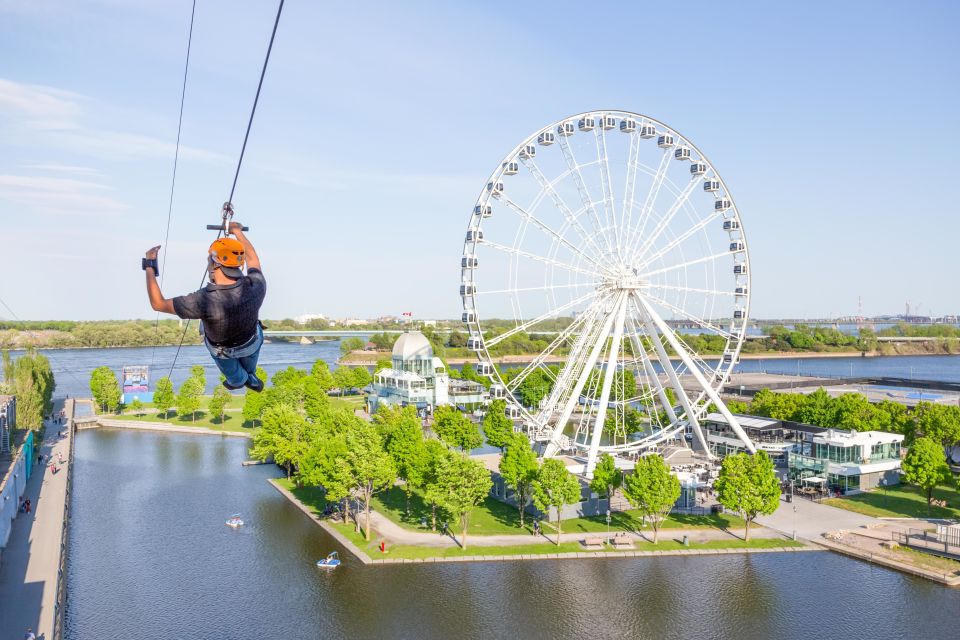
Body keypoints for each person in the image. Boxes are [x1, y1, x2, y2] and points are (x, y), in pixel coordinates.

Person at [143, 222, 266, 392]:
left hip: (225, 351)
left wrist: (149, 264)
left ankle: (241, 380)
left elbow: (158, 304)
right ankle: (250, 377)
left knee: (236, 378)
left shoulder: (204, 300)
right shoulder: (256, 285)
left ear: (215, 264)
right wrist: (238, 232)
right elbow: (253, 258)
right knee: (249, 363)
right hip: (251, 342)